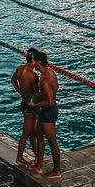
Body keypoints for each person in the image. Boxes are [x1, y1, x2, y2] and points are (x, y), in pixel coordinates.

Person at [29, 51, 61, 179]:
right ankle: (39, 164)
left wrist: (34, 105)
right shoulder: (50, 72)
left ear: (38, 62)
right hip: (46, 110)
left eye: (34, 61)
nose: (33, 63)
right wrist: (39, 95)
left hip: (49, 112)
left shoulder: (44, 79)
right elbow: (55, 88)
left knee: (52, 142)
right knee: (38, 134)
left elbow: (50, 101)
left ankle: (57, 171)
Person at [11, 49, 39, 166]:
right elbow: (36, 93)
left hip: (24, 103)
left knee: (33, 134)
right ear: (34, 60)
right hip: (30, 107)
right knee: (26, 134)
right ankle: (19, 158)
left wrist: (21, 92)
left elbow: (13, 81)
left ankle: (37, 157)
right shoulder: (33, 75)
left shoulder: (20, 68)